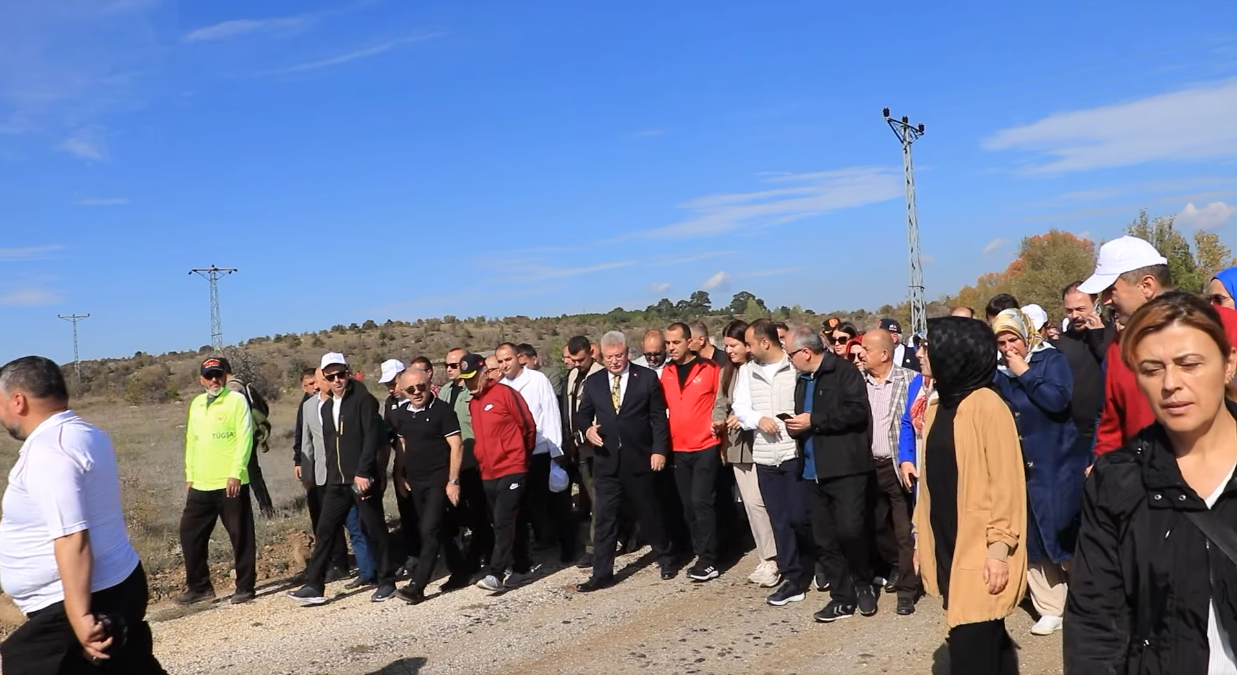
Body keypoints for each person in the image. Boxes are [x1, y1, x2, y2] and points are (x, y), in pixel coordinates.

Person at [1065, 292, 1237, 675]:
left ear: (1228, 363)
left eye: (1189, 364)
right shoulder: (1118, 480)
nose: (1170, 383)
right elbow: (1095, 620)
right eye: (1151, 368)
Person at [0, 356, 167, 675]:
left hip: (80, 599)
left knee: (26, 663)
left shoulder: (50, 451)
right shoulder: (86, 434)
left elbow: (72, 537)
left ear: (18, 400)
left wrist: (80, 617)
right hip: (114, 584)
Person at [914, 317, 1026, 675]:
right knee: (985, 639)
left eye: (929, 346)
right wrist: (921, 539)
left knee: (971, 645)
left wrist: (999, 550)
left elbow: (1006, 486)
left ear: (955, 353)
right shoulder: (937, 407)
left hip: (982, 547)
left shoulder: (987, 406)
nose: (920, 353)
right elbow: (931, 484)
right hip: (948, 540)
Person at [1080, 236, 1237, 455]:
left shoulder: (1225, 325)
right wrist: (1102, 470)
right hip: (1145, 483)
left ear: (1146, 285)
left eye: (1110, 290)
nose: (1105, 300)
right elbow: (1111, 428)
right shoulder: (1118, 349)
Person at [991, 308, 1086, 636]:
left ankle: (1087, 598)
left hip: (1056, 461)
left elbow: (1058, 401)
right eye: (1001, 342)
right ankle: (1050, 605)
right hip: (1021, 466)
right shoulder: (998, 372)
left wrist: (1025, 371)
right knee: (1031, 537)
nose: (1007, 348)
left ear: (1026, 335)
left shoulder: (1051, 360)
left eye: (1012, 339)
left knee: (1064, 531)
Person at [784, 327, 878, 622]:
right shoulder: (802, 381)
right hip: (813, 471)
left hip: (846, 469)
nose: (790, 361)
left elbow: (857, 412)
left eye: (790, 355)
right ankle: (842, 596)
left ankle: (863, 582)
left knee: (851, 531)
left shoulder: (844, 372)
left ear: (805, 352)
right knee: (824, 539)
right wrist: (795, 426)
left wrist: (815, 421)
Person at [288, 353, 395, 605]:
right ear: (323, 377)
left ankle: (387, 581)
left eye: (341, 374)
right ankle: (315, 585)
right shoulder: (326, 407)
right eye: (331, 375)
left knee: (374, 529)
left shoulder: (363, 400)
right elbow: (328, 445)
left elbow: (371, 438)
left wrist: (364, 472)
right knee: (325, 531)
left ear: (348, 372)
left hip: (359, 479)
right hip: (337, 482)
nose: (337, 380)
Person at [575, 331, 675, 592]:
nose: (615, 362)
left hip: (639, 459)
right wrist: (587, 430)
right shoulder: (594, 382)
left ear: (627, 353)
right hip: (607, 462)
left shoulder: (647, 378)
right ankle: (602, 573)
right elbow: (582, 415)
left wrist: (659, 450)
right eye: (609, 358)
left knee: (649, 513)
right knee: (605, 519)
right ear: (602, 356)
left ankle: (666, 557)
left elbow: (658, 418)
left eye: (619, 356)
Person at [732, 319, 808, 607]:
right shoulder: (746, 372)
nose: (746, 349)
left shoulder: (794, 368)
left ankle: (816, 563)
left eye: (750, 343)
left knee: (801, 515)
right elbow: (740, 408)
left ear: (765, 343)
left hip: (794, 452)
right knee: (779, 519)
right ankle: (792, 577)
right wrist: (757, 420)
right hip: (765, 455)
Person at [178, 356, 256, 605]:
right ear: (201, 379)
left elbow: (245, 437)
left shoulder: (236, 400)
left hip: (230, 482)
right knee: (190, 534)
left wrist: (236, 471)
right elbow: (191, 441)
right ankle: (199, 587)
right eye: (209, 376)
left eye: (218, 375)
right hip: (201, 483)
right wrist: (190, 475)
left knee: (240, 535)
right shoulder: (197, 404)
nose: (214, 380)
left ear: (225, 376)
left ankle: (245, 586)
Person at [390, 368, 471, 604]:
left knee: (429, 531)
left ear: (429, 383)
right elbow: (402, 446)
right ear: (403, 391)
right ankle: (461, 571)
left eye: (421, 387)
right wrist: (399, 475)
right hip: (416, 482)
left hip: (439, 481)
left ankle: (418, 586)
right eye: (411, 389)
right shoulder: (402, 415)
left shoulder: (442, 411)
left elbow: (457, 446)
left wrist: (453, 481)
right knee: (441, 529)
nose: (417, 393)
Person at [460, 353, 537, 593]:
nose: (469, 384)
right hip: (488, 473)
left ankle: (496, 573)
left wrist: (520, 456)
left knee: (504, 521)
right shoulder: (473, 403)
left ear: (485, 373)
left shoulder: (505, 394)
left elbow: (528, 426)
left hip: (513, 468)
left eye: (472, 378)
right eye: (465, 380)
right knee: (511, 520)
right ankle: (522, 568)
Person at [495, 343, 573, 562]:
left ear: (519, 358)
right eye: (500, 362)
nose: (504, 365)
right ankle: (543, 540)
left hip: (542, 449)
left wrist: (556, 450)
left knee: (555, 500)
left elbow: (550, 413)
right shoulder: (501, 386)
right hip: (517, 454)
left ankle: (568, 546)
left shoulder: (537, 380)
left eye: (508, 359)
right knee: (529, 503)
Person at [858, 329, 917, 615]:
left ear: (884, 354)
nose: (860, 353)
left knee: (905, 530)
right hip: (870, 466)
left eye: (866, 349)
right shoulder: (859, 383)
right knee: (877, 525)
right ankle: (894, 564)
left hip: (898, 466)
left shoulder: (909, 380)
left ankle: (907, 590)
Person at [661, 323, 726, 582]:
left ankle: (709, 559)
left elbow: (721, 401)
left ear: (689, 342)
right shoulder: (664, 373)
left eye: (675, 342)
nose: (671, 348)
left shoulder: (710, 369)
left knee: (702, 501)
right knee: (688, 505)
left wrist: (718, 423)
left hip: (705, 445)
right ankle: (699, 550)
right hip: (678, 448)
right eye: (667, 343)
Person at [299, 368, 373, 588]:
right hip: (326, 476)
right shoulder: (310, 407)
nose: (317, 384)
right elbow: (306, 441)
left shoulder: (349, 402)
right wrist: (306, 471)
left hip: (350, 475)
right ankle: (319, 580)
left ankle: (371, 571)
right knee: (326, 529)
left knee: (358, 526)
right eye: (325, 379)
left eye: (320, 380)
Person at [720, 320, 780, 588]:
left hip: (762, 443)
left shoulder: (759, 370)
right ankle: (767, 556)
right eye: (726, 346)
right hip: (739, 448)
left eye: (733, 345)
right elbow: (720, 402)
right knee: (752, 505)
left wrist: (743, 416)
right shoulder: (729, 372)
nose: (728, 350)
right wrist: (719, 419)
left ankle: (777, 557)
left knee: (764, 503)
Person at [441, 347, 493, 575]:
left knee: (480, 513)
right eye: (448, 365)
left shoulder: (474, 391)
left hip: (476, 461)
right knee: (461, 514)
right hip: (454, 464)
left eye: (455, 365)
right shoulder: (444, 392)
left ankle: (487, 555)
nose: (451, 369)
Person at [562, 336, 607, 569]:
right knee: (590, 497)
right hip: (578, 447)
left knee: (599, 497)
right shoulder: (572, 376)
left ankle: (595, 547)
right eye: (573, 359)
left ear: (591, 352)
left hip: (598, 445)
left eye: (580, 359)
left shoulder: (601, 374)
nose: (577, 363)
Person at [1058, 282, 1114, 451]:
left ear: (1096, 304)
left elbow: (1117, 368)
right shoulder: (1062, 343)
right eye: (1069, 310)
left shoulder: (1113, 336)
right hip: (1073, 432)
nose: (1075, 315)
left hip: (1107, 428)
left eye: (1080, 309)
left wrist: (1098, 339)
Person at [379, 359, 420, 577]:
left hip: (423, 464)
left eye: (393, 382)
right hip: (402, 464)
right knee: (407, 511)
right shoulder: (389, 403)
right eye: (387, 384)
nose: (391, 388)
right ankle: (413, 555)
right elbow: (388, 433)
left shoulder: (419, 400)